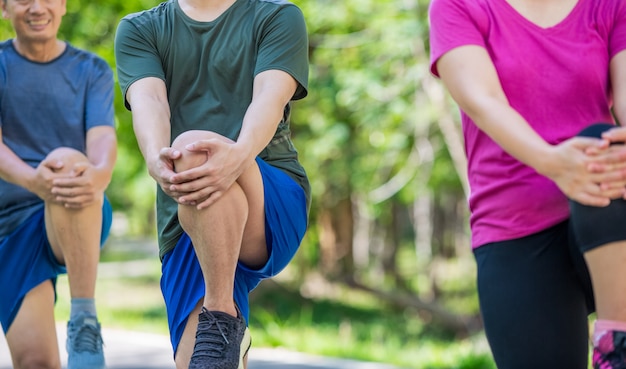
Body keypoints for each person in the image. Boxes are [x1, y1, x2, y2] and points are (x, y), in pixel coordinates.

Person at [428, 0, 626, 368]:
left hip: (608, 212)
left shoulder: (610, 5)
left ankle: (617, 347)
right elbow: (483, 100)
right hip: (514, 225)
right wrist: (553, 163)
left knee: (605, 144)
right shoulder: (457, 6)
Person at [114, 0, 310, 367]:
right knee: (201, 363)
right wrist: (157, 160)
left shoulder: (277, 16)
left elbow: (270, 96)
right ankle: (232, 333)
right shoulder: (140, 28)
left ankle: (221, 313)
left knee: (195, 148)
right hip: (186, 206)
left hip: (267, 196)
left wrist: (237, 156)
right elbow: (150, 100)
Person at [0, 0, 117, 367]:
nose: (37, 8)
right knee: (36, 362)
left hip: (78, 209)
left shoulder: (91, 69)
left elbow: (102, 143)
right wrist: (34, 181)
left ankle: (84, 319)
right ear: (4, 8)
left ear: (63, 5)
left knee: (68, 161)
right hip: (11, 223)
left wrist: (98, 176)